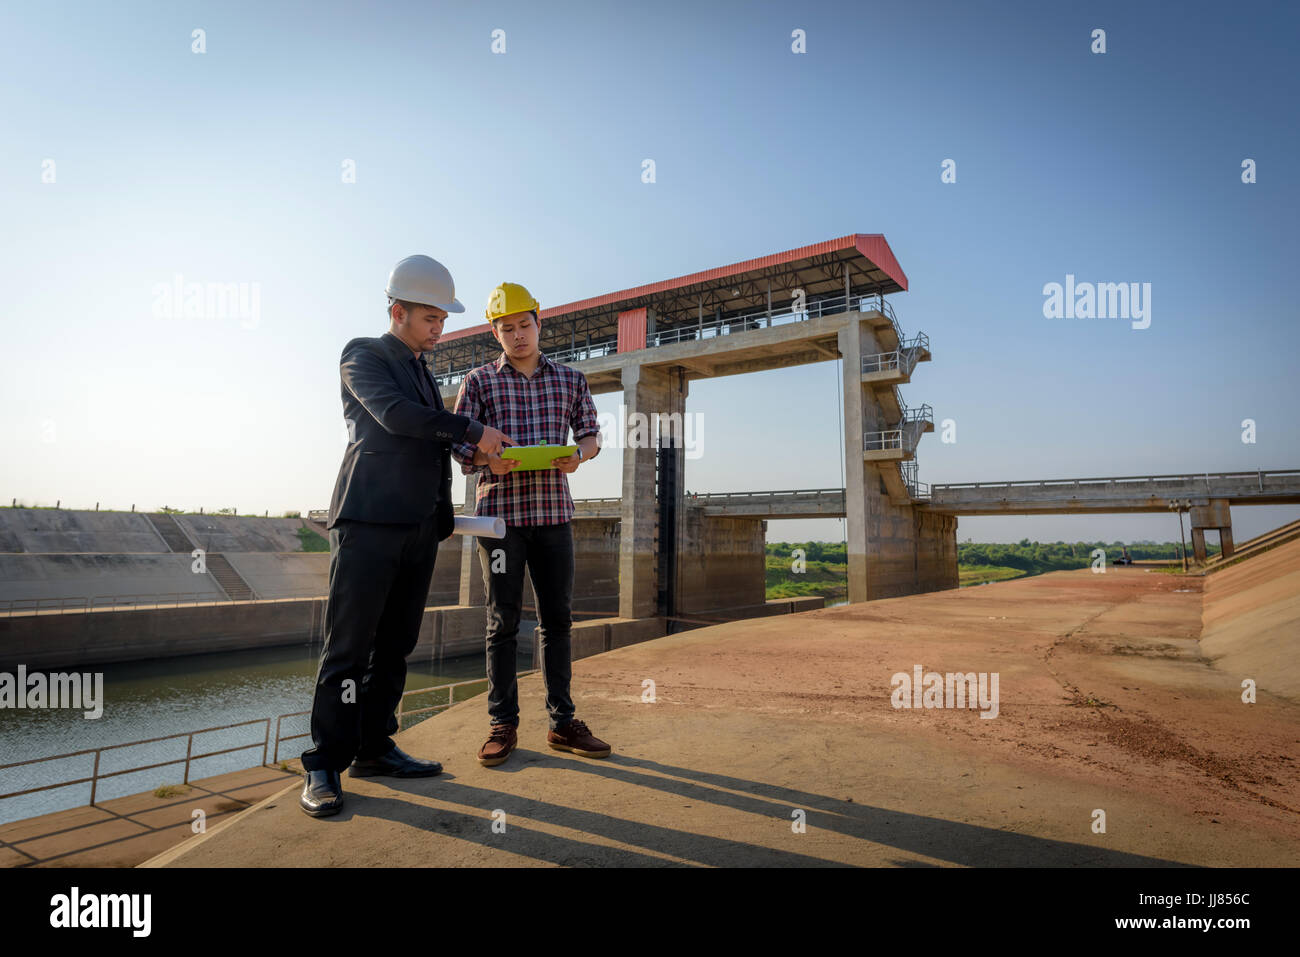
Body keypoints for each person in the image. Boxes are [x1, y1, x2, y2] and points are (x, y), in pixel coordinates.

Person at [299, 255, 512, 818]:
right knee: (347, 648)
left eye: (443, 319)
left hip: (418, 528)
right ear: (398, 311)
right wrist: (471, 428)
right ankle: (324, 762)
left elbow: (430, 441)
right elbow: (395, 417)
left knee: (394, 647)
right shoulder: (363, 354)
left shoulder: (421, 367)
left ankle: (374, 747)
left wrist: (476, 461)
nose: (440, 329)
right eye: (430, 318)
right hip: (368, 522)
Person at [451, 281, 610, 767]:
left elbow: (590, 436)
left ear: (539, 323)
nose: (517, 335)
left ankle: (563, 722)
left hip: (554, 518)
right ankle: (503, 724)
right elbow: (458, 447)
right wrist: (486, 461)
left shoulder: (571, 380)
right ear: (494, 333)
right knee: (501, 622)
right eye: (506, 328)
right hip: (500, 523)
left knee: (556, 621)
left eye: (524, 325)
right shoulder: (478, 382)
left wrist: (577, 457)